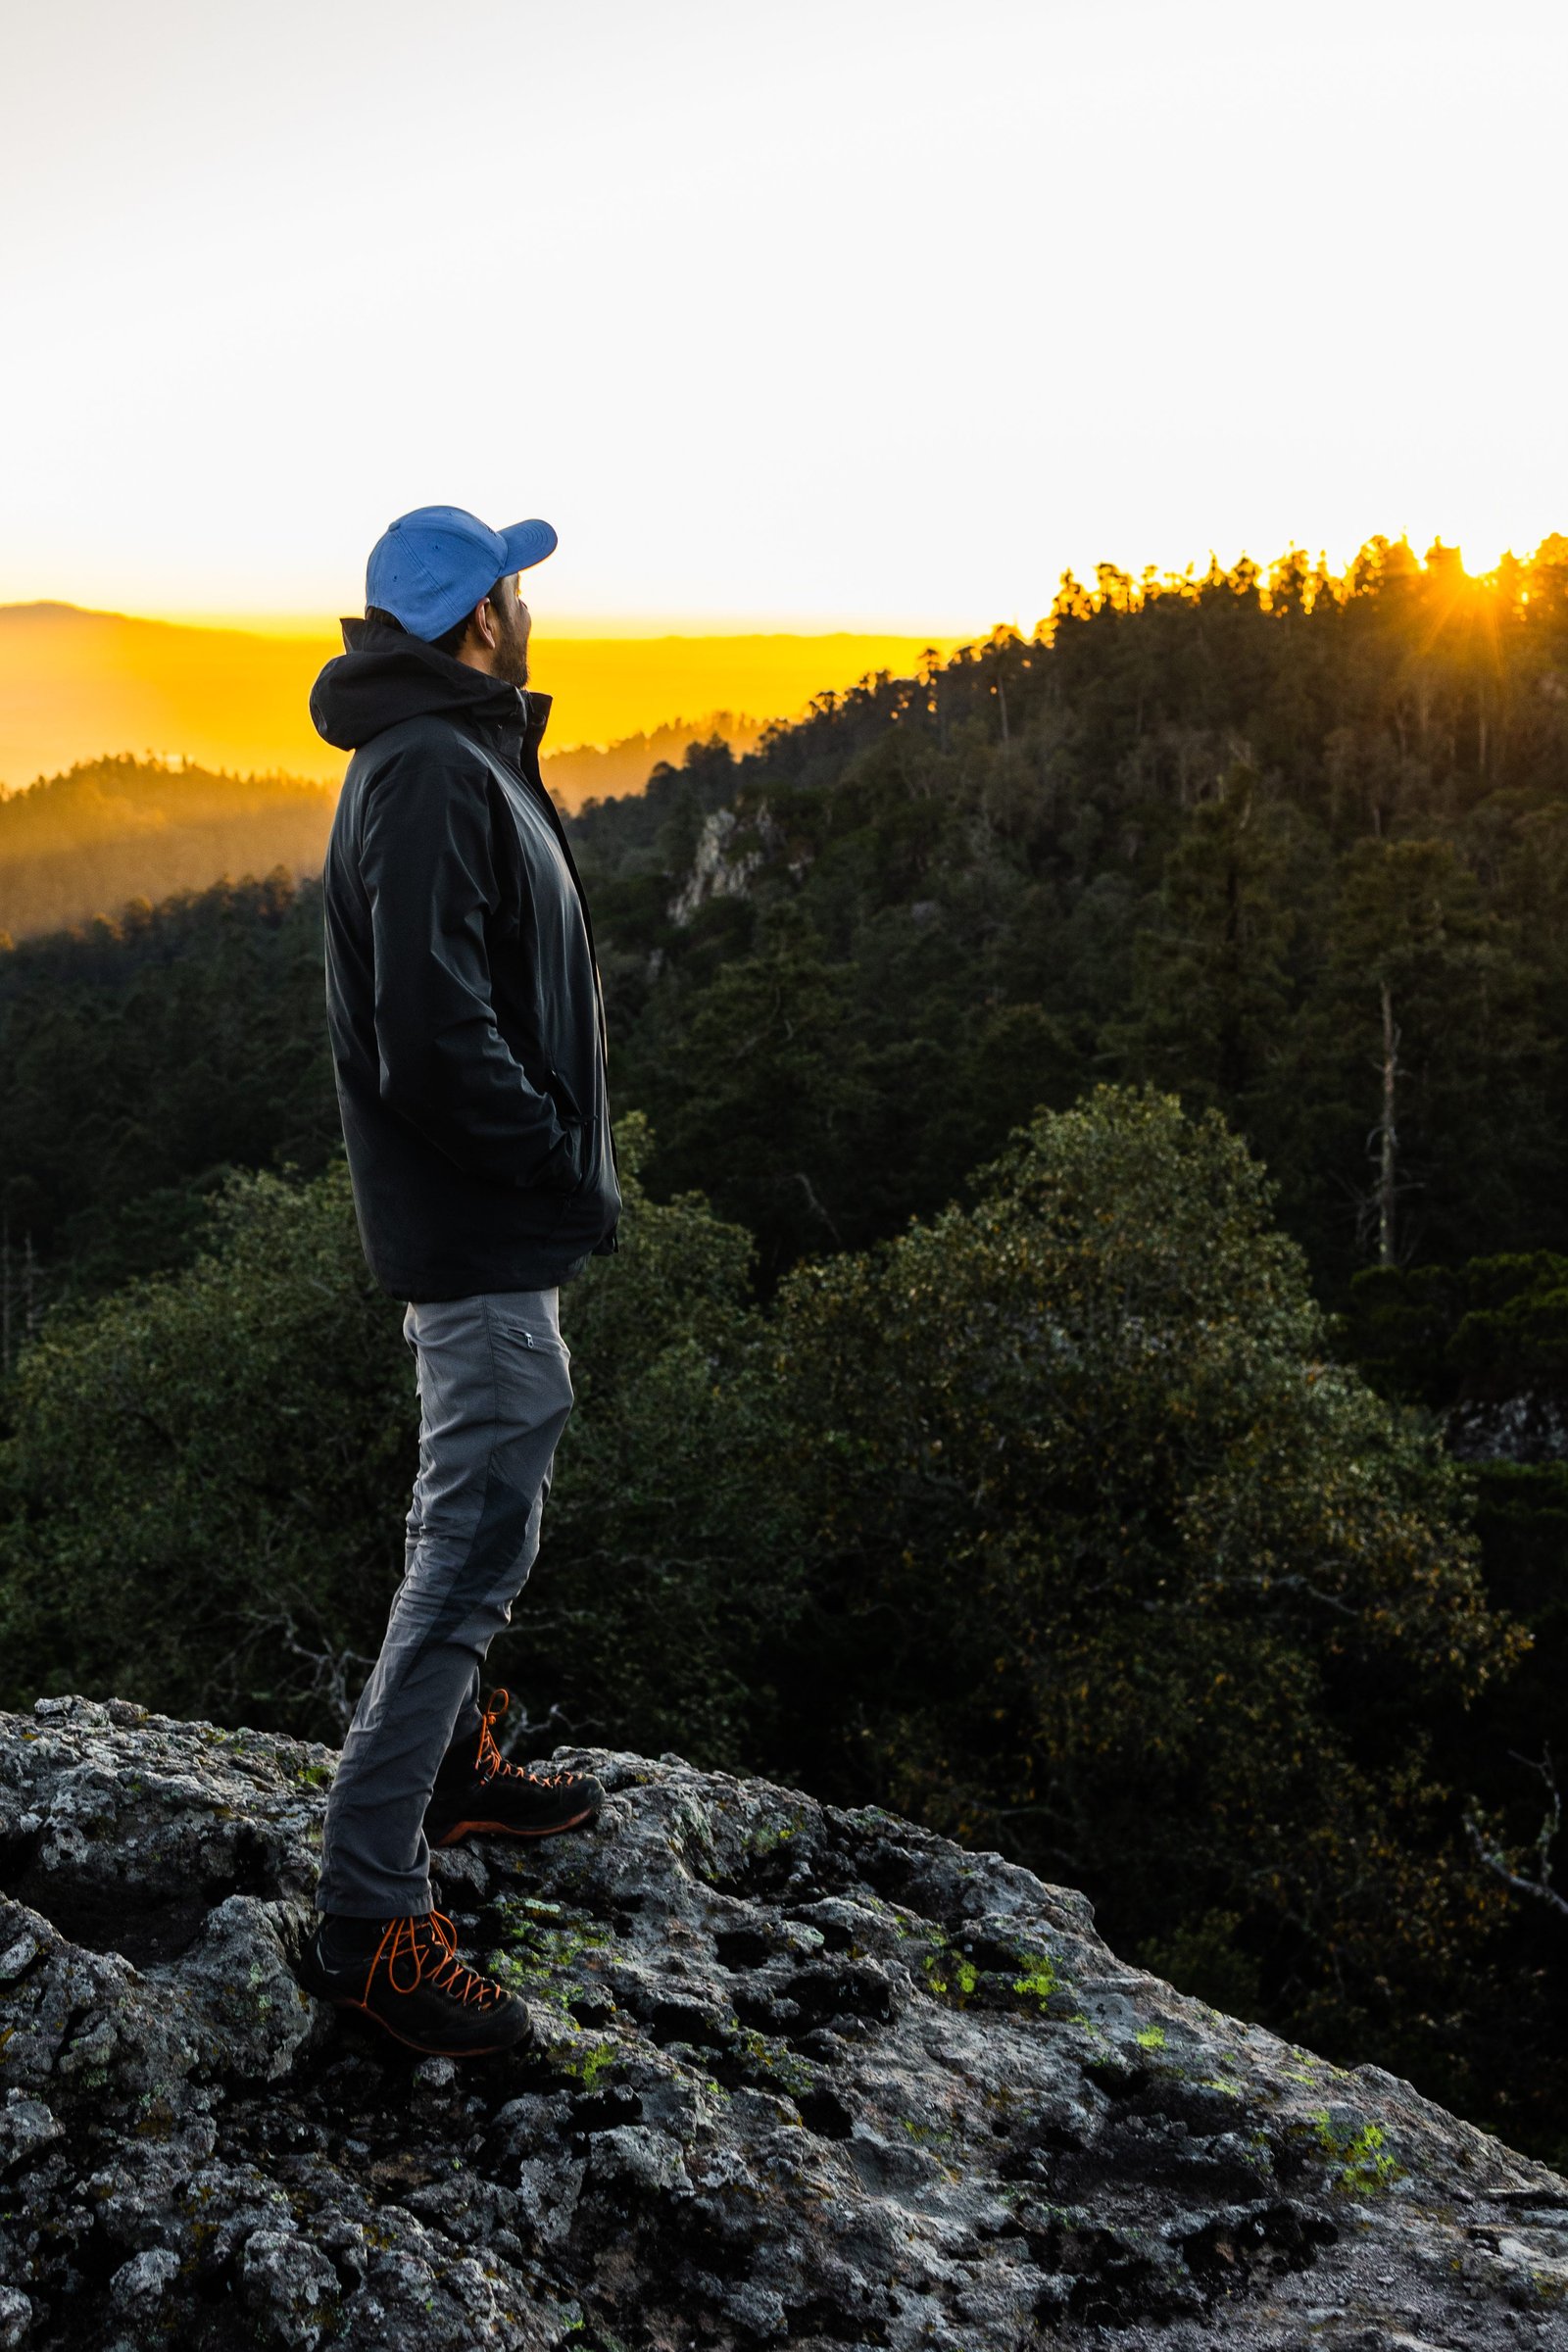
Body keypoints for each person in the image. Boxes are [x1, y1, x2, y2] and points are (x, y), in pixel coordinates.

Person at [299, 505, 621, 2056]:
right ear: (480, 617)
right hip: (485, 1218)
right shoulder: (430, 767)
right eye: (516, 586)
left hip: (496, 1221)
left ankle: (447, 1778)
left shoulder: (451, 745)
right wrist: (553, 1154)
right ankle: (368, 1915)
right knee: (471, 1536)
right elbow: (429, 1037)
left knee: (490, 1516)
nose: (530, 605)